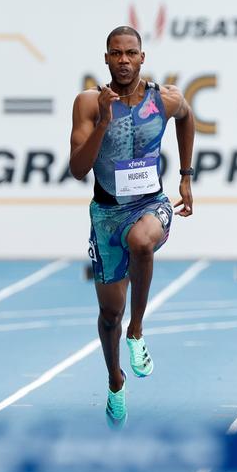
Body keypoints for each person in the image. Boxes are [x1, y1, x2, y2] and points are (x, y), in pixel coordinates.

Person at [69, 26, 194, 428]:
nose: (123, 60)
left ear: (143, 58)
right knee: (109, 314)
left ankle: (137, 332)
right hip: (106, 215)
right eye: (116, 53)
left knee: (142, 242)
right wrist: (104, 121)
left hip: (150, 205)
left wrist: (186, 177)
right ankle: (115, 379)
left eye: (131, 53)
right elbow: (77, 170)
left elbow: (187, 118)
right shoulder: (89, 103)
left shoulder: (165, 98)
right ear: (105, 59)